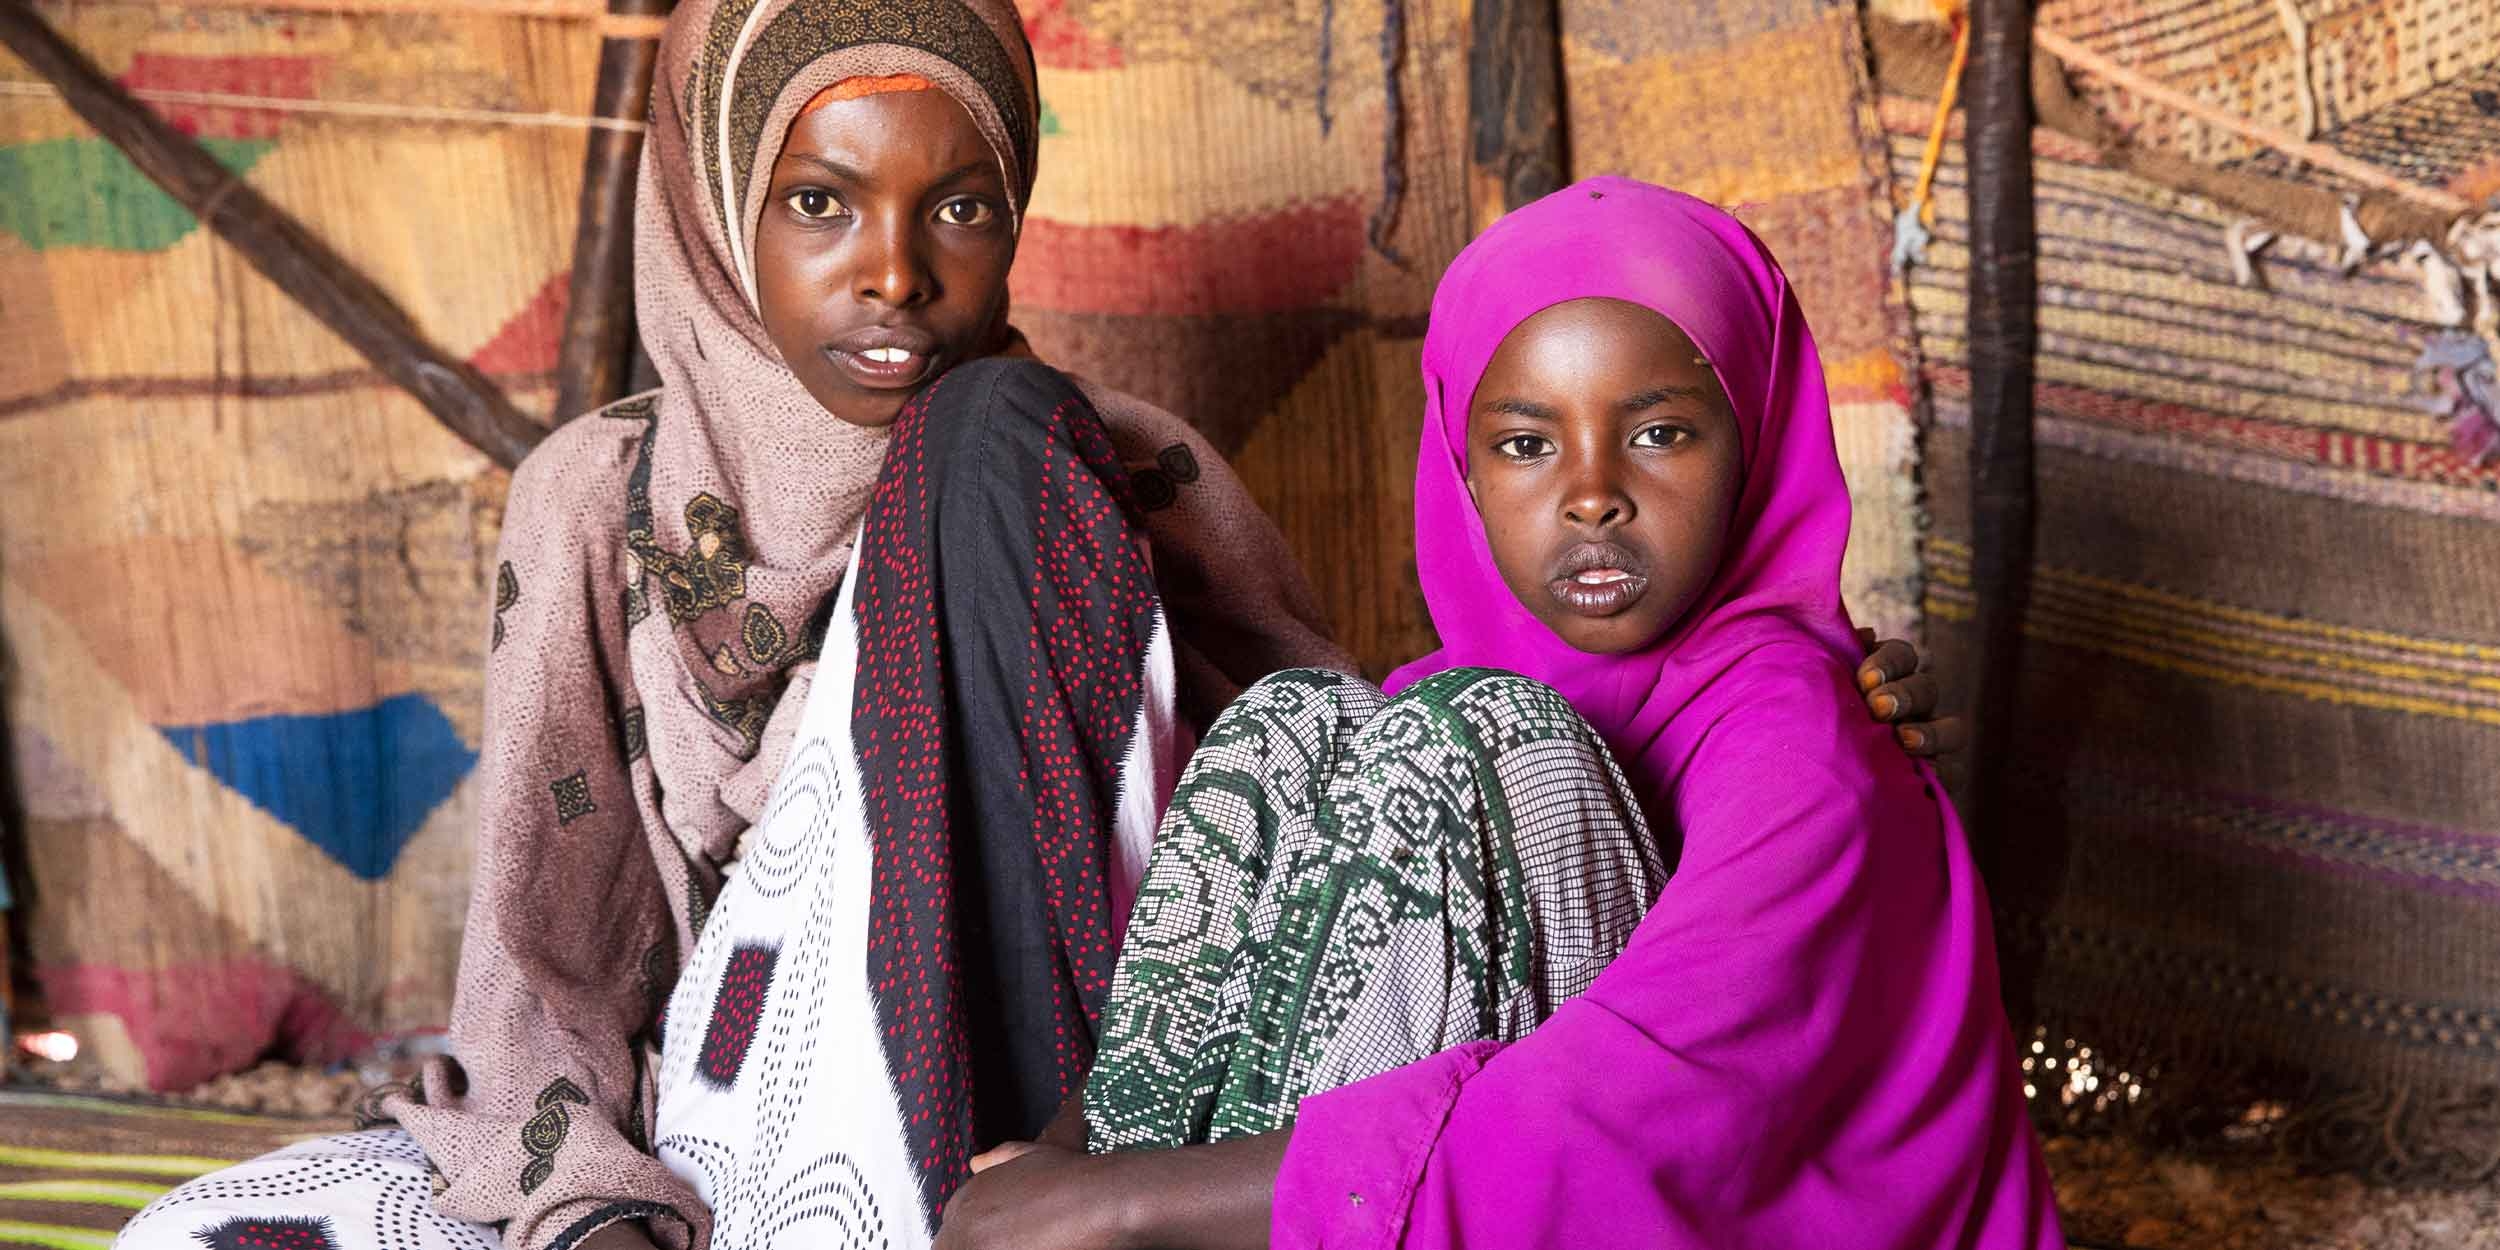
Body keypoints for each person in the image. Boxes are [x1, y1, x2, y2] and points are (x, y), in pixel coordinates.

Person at [113, 7, 1955, 1246]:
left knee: (1010, 455)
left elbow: (1311, 812)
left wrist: (1121, 1191)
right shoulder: (599, 502)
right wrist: (595, 1199)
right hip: (764, 1089)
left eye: (962, 206)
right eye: (819, 205)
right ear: (714, 201)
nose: (896, 271)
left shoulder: (1101, 465)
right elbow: (545, 939)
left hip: (1110, 1090)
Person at [933, 178, 2059, 1250]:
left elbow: (1621, 1110)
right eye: (1526, 443)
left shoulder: (1801, 746)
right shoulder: (1440, 711)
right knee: (1293, 720)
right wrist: (1059, 1164)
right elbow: (1219, 967)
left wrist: (1119, 1207)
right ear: (1463, 475)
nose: (1589, 491)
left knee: (1469, 732)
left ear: (1755, 443)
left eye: (1659, 432)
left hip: (1711, 1204)